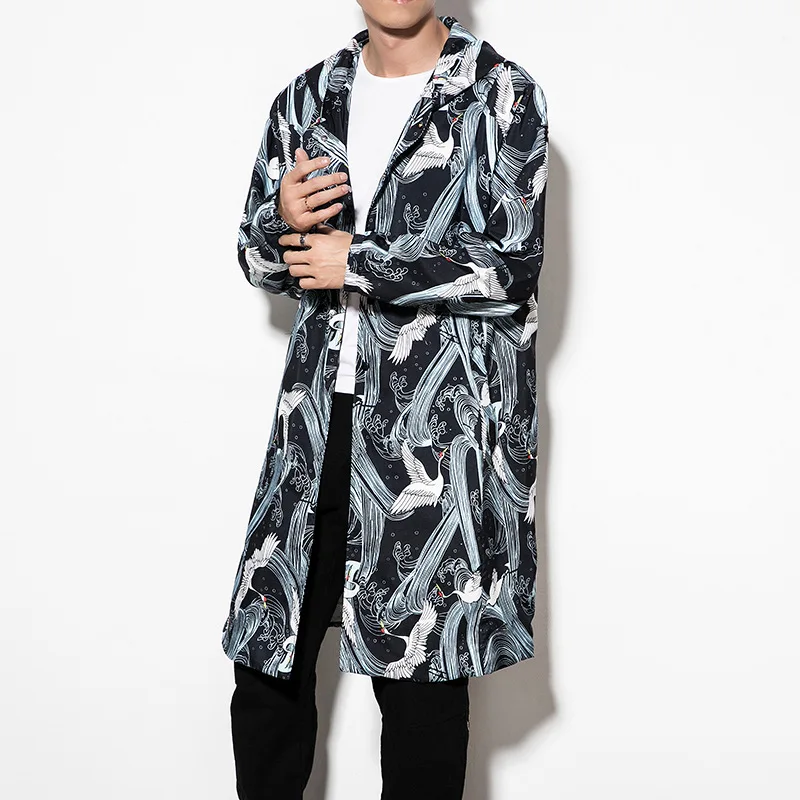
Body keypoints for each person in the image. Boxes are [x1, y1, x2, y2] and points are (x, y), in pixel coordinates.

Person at [222, 4, 549, 798]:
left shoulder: (500, 93)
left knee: (419, 683)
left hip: (432, 441)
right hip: (314, 427)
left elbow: (511, 267)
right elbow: (258, 262)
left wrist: (362, 260)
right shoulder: (309, 98)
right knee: (268, 663)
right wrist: (277, 222)